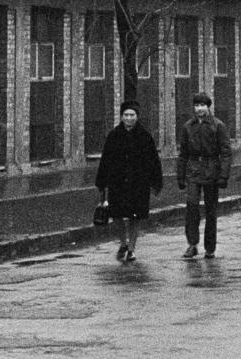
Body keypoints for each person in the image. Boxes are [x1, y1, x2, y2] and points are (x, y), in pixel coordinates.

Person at [95, 101, 163, 262]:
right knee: (116, 214)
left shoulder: (144, 136)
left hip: (138, 183)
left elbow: (153, 160)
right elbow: (106, 159)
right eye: (126, 115)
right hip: (117, 182)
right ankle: (123, 243)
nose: (129, 118)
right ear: (121, 117)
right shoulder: (114, 135)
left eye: (132, 115)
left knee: (135, 216)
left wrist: (155, 182)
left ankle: (131, 248)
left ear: (137, 117)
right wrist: (102, 182)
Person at [175, 90, 232, 258]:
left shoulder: (217, 126)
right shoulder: (188, 127)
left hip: (211, 170)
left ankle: (210, 247)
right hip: (193, 170)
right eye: (197, 106)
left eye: (203, 105)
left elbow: (226, 152)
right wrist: (181, 175)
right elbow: (183, 153)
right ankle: (192, 244)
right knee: (191, 207)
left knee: (210, 209)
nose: (199, 109)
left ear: (208, 107)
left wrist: (223, 175)